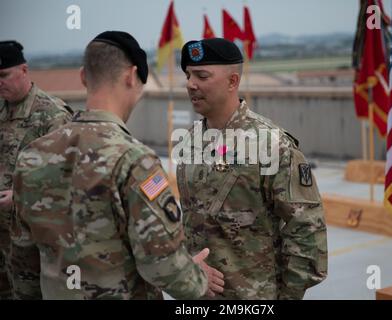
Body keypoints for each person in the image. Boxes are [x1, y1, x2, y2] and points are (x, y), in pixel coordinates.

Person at [11, 31, 224, 299]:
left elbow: (23, 261)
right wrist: (198, 279)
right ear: (132, 77)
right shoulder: (136, 161)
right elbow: (162, 264)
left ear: (83, 77)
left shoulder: (32, 156)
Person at [176, 38, 327, 299]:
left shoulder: (272, 144)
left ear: (232, 81)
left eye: (202, 75)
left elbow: (306, 230)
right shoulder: (189, 141)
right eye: (189, 75)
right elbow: (188, 221)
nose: (191, 84)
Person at [0, 40, 73, 299]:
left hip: (32, 243)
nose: (0, 83)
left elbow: (69, 180)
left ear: (24, 70)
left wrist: (20, 197)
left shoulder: (53, 115)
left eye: (3, 75)